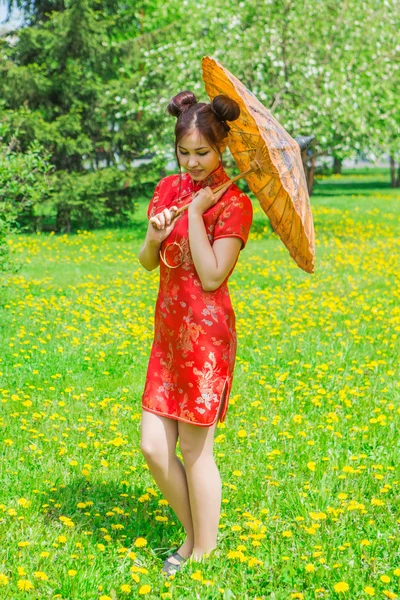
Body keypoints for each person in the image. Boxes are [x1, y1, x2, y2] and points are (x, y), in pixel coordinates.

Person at [138, 90, 253, 576]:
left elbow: (210, 276)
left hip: (206, 338)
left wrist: (192, 214)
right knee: (152, 445)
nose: (192, 163)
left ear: (221, 148)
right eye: (184, 152)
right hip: (168, 334)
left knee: (192, 448)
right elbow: (148, 263)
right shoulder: (168, 188)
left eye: (202, 153)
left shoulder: (235, 204)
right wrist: (155, 234)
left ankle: (202, 550)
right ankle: (193, 535)